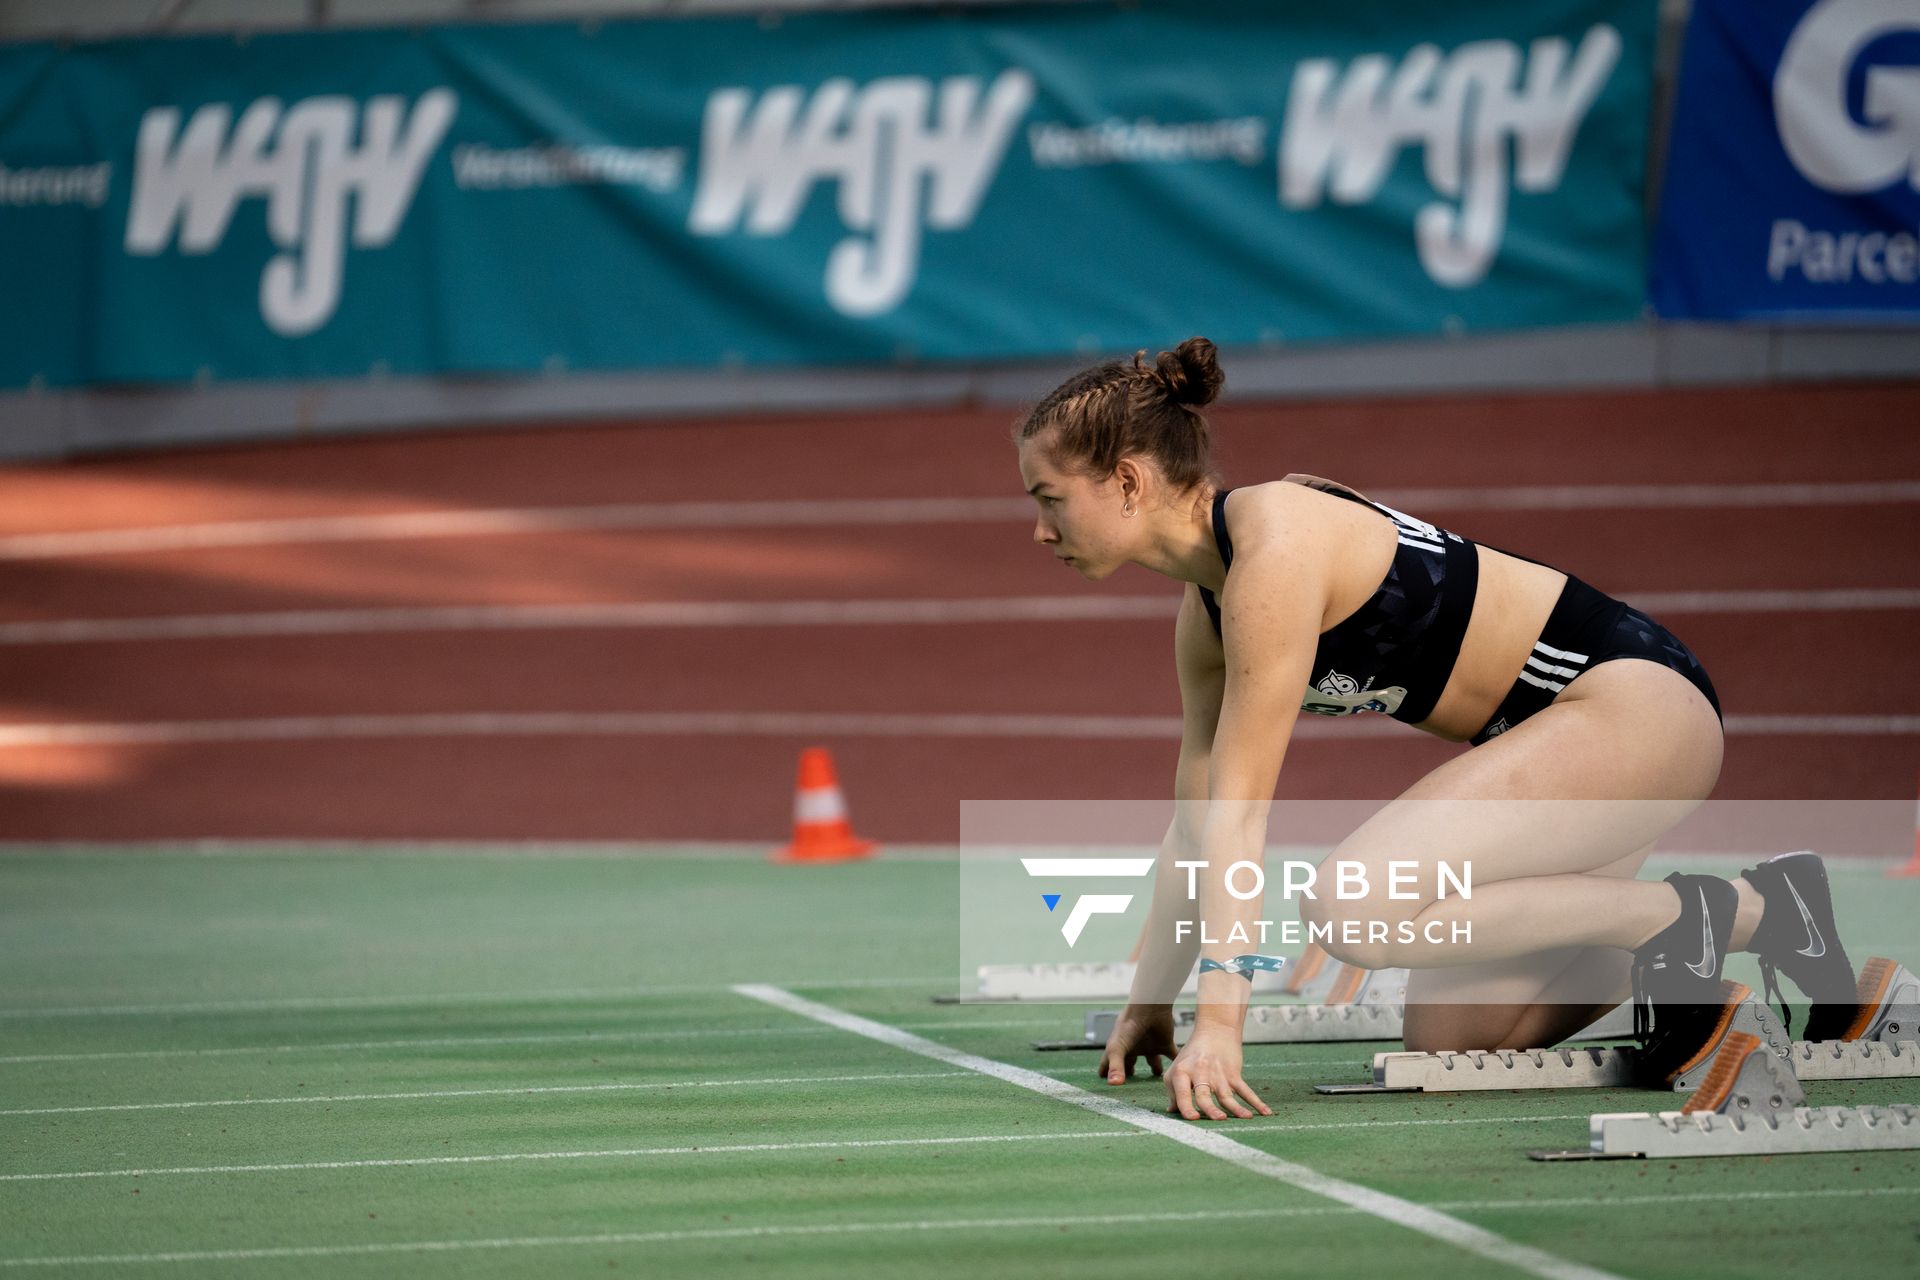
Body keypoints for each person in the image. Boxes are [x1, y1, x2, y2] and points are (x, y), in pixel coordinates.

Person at [1013, 336, 1863, 1122]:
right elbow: (1197, 823)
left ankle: (1737, 914)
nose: (1040, 530)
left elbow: (1241, 819)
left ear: (1129, 482)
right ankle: (1759, 921)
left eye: (1051, 500)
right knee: (1458, 1034)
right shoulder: (1206, 615)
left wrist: (1221, 1025)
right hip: (1560, 754)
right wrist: (1151, 1002)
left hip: (1633, 708)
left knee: (1351, 907)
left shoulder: (1276, 546)